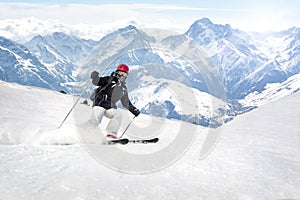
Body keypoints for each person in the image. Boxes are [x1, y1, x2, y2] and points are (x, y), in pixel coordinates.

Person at [90, 64, 140, 140]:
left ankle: (111, 134)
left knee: (118, 114)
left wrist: (134, 110)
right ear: (117, 72)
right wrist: (94, 77)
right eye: (121, 73)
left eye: (124, 74)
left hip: (109, 108)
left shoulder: (123, 88)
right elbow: (97, 82)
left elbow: (126, 102)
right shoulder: (109, 80)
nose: (122, 76)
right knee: (99, 113)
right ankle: (88, 131)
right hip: (99, 104)